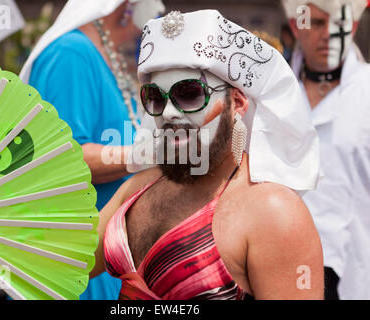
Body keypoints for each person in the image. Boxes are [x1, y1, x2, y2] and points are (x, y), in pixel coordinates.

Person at [90, 9, 324, 300]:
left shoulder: (274, 211)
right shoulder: (138, 189)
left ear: (237, 103)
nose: (169, 113)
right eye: (155, 97)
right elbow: (62, 261)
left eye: (189, 93)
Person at [19, 0, 165, 300]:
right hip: (77, 254)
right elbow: (63, 159)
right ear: (126, 5)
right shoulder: (71, 53)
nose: (159, 9)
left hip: (102, 252)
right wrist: (158, 154)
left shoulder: (96, 54)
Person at [282, 0, 370, 299]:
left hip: (357, 273)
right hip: (279, 270)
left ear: (354, 27)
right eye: (317, 22)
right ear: (297, 27)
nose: (328, 34)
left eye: (339, 23)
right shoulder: (270, 95)